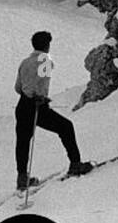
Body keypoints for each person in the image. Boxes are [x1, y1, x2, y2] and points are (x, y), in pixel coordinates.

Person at [15, 31, 93, 191]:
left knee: (23, 142)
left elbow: (18, 87)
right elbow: (40, 84)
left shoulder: (24, 62)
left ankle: (22, 178)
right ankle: (75, 164)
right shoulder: (45, 61)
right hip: (36, 106)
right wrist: (40, 97)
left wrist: (30, 94)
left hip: (22, 106)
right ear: (46, 45)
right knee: (66, 127)